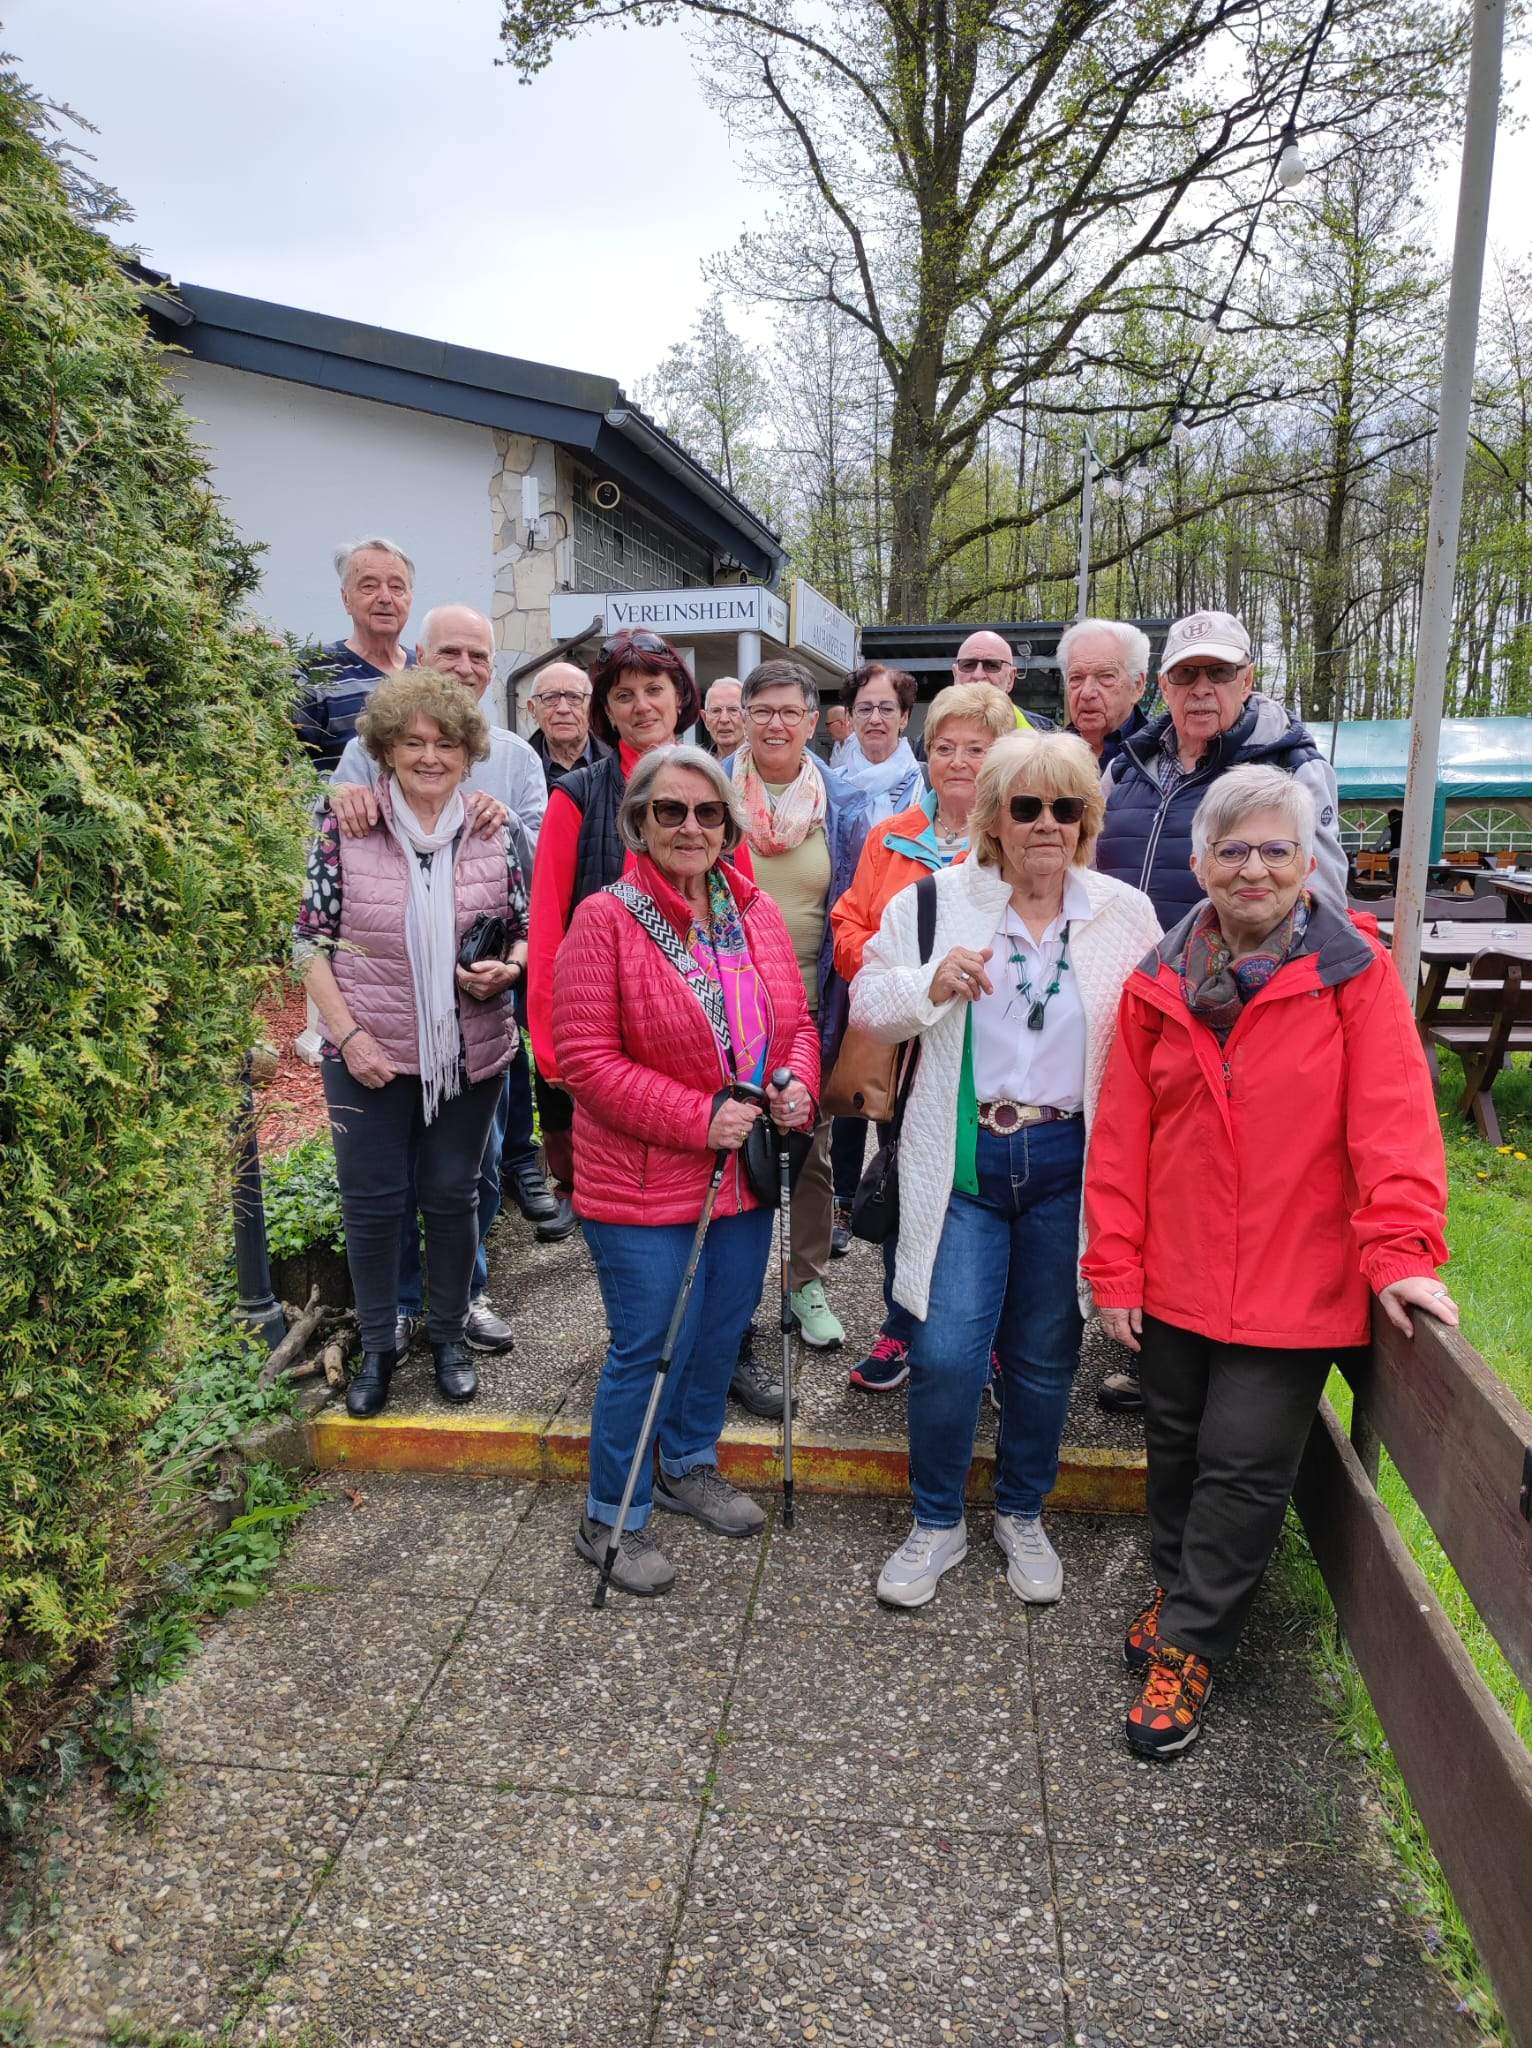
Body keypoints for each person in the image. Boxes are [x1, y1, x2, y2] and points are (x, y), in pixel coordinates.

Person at [1083, 765, 1454, 1758]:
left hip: (1296, 1278)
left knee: (1244, 1464)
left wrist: (1401, 1251)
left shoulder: (1352, 974)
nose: (1253, 868)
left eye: (1275, 850)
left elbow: (1393, 1123)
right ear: (1200, 860)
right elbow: (1122, 1133)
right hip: (1176, 1270)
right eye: (1233, 849)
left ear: (1306, 863)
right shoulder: (1159, 979)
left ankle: (1192, 1643)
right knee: (1174, 1446)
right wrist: (1114, 1264)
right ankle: (1176, 1584)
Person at [849, 732, 1160, 1611]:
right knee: (947, 1352)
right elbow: (868, 1005)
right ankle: (937, 1519)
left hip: (1070, 1161)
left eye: (1067, 807)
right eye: (1026, 807)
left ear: (1087, 821)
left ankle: (1022, 1511)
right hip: (966, 1160)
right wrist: (930, 982)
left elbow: (1152, 1042)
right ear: (991, 820)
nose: (1046, 824)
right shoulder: (933, 902)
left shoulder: (1124, 913)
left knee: (1045, 1354)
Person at [553, 745, 818, 1597]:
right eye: (670, 811)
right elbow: (584, 1060)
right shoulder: (606, 918)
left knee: (719, 1330)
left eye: (708, 813)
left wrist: (797, 1084)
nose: (690, 827)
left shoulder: (755, 912)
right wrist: (697, 1118)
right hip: (641, 1181)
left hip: (743, 1176)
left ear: (729, 827)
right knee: (651, 1343)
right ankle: (611, 1513)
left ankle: (688, 1463)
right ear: (639, 822)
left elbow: (796, 1024)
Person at [1093, 607, 1347, 1416]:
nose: (1201, 689)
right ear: (1162, 686)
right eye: (1186, 675)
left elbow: (1321, 893)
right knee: (1142, 1169)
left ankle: (1209, 1352)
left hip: (1230, 1008)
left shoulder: (1288, 768)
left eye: (1219, 673)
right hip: (1130, 1001)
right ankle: (1151, 1336)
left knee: (1214, 1180)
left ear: (1248, 679)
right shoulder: (1129, 763)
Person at [295, 671, 527, 1417]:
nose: (431, 756)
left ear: (469, 753)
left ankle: (450, 1337)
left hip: (470, 1051)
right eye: (413, 742)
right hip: (368, 1052)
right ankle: (379, 1348)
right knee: (372, 1205)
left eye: (447, 743)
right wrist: (348, 1034)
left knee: (454, 1196)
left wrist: (511, 968)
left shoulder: (494, 829)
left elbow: (524, 928)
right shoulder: (346, 825)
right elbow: (307, 943)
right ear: (386, 750)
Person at [328, 604, 557, 1342]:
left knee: (470, 1173)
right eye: (450, 652)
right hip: (385, 1011)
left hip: (473, 1018)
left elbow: (533, 869)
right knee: (388, 1177)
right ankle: (398, 1306)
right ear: (419, 658)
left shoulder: (515, 758)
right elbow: (328, 857)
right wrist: (340, 797)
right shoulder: (369, 748)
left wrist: (500, 820)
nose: (465, 666)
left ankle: (464, 1299)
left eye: (478, 656)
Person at [828, 682, 1015, 1384]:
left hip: (986, 1053)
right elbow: (849, 926)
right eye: (945, 747)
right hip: (902, 1050)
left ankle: (987, 1337)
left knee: (979, 1192)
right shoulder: (891, 836)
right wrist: (901, 971)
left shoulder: (1017, 838)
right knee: (903, 1184)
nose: (958, 762)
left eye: (977, 749)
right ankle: (901, 1325)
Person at [726, 659, 871, 1353]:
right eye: (763, 711)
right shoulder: (710, 793)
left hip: (810, 1010)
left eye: (791, 712)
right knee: (723, 1145)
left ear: (813, 721)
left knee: (809, 1151)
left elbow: (857, 906)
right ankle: (727, 1291)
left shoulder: (844, 805)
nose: (776, 724)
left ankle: (804, 1281)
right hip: (721, 1007)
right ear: (742, 719)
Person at [293, 537, 416, 771]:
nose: (385, 598)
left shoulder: (426, 670)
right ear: (346, 599)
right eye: (369, 586)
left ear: (409, 598)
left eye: (397, 587)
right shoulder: (315, 668)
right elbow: (288, 764)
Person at [834, 664, 925, 823]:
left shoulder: (929, 785)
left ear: (904, 718)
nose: (875, 719)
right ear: (850, 717)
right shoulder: (831, 787)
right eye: (865, 709)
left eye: (887, 709)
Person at [1059, 618, 1149, 770]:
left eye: (1106, 676)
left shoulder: (1163, 758)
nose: (1087, 693)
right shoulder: (1049, 758)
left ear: (1137, 686)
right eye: (1076, 678)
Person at [526, 660, 610, 790]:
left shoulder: (619, 766)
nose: (563, 709)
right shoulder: (517, 768)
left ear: (592, 707)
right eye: (550, 698)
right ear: (533, 709)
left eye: (574, 697)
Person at [700, 677, 745, 757]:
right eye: (716, 711)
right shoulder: (699, 764)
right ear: (705, 719)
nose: (724, 719)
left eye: (733, 710)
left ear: (747, 717)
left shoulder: (765, 763)